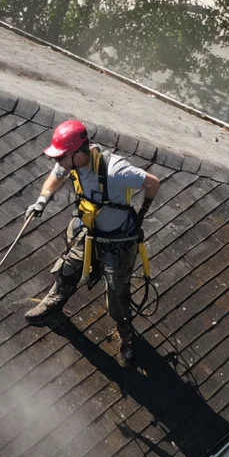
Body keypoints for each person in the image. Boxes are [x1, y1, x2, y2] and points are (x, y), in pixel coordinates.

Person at [24, 119, 159, 366]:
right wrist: (42, 199)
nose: (58, 163)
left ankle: (127, 336)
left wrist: (141, 213)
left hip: (118, 240)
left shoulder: (115, 170)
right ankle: (54, 302)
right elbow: (55, 177)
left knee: (117, 297)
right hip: (89, 233)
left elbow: (152, 182)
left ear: (79, 152)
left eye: (61, 157)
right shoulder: (70, 163)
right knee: (67, 269)